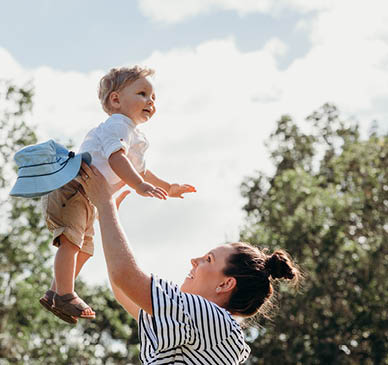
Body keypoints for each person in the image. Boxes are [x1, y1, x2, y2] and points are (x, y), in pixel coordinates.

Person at [76, 163, 301, 364]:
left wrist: (105, 204)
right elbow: (124, 289)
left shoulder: (214, 319)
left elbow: (125, 277)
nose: (194, 260)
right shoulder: (203, 327)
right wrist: (105, 217)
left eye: (208, 259)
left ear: (225, 284)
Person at [38, 66, 196, 324]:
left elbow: (142, 170)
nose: (150, 101)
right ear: (115, 99)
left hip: (88, 197)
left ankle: (56, 292)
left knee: (85, 250)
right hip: (73, 187)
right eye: (143, 94)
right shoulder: (117, 126)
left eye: (153, 97)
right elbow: (116, 159)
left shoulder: (135, 135)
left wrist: (169, 187)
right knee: (71, 242)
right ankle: (65, 293)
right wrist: (138, 185)